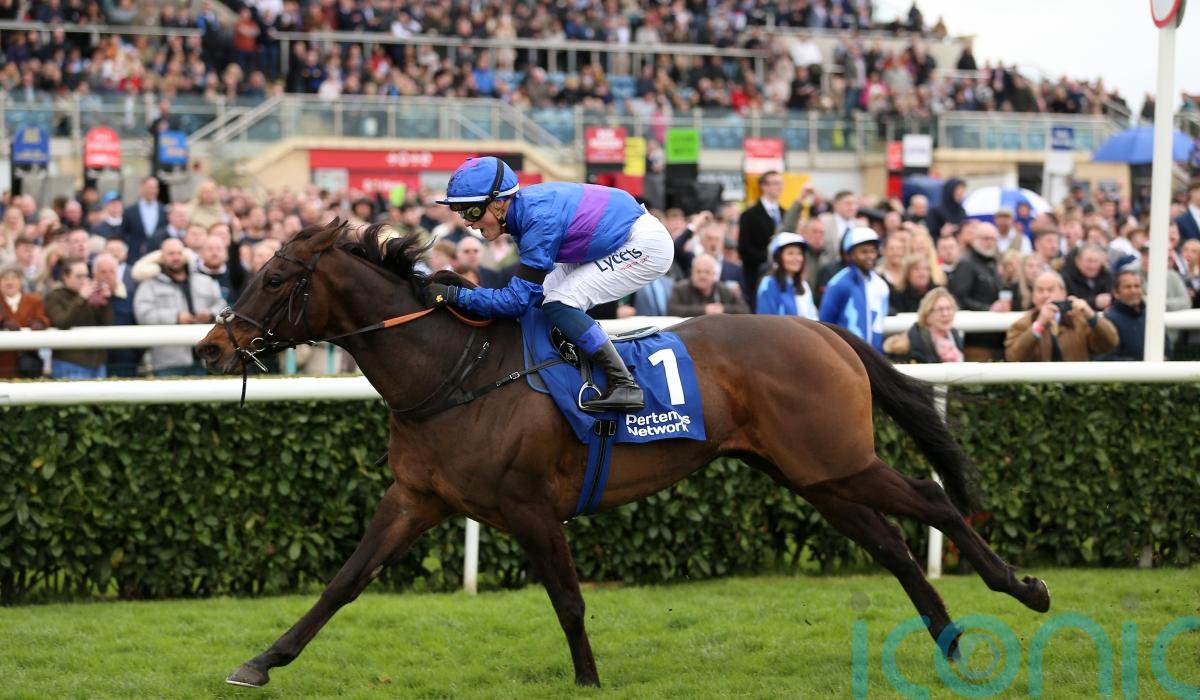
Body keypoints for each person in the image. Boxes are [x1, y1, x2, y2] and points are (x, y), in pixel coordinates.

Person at [425, 157, 673, 412]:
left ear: (499, 203)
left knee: (559, 303)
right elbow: (526, 301)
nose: (467, 222)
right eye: (461, 213)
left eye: (472, 211)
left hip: (643, 244)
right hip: (609, 239)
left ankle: (625, 384)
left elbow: (515, 302)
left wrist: (457, 295)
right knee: (542, 302)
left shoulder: (536, 220)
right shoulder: (519, 214)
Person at [132, 238, 227, 376]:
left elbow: (222, 305)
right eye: (171, 254)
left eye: (179, 253)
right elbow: (143, 315)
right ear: (162, 257)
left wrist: (211, 313)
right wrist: (175, 317)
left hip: (204, 358)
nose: (176, 257)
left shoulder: (204, 280)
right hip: (168, 361)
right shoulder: (149, 285)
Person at [1004, 270, 1117, 362]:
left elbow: (1111, 343)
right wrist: (1039, 324)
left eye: (1051, 290)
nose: (1045, 295)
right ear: (1033, 296)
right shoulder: (1022, 323)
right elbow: (1013, 357)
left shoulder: (1079, 320)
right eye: (1040, 290)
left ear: (1063, 293)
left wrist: (1090, 314)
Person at [819, 227, 889, 350]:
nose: (870, 256)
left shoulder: (881, 285)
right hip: (844, 354)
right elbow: (825, 323)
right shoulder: (838, 283)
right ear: (850, 254)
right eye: (864, 252)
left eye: (872, 251)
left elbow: (880, 322)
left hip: (874, 354)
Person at [948, 222, 1008, 360]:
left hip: (996, 333)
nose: (989, 243)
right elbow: (959, 299)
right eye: (985, 238)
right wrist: (989, 308)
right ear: (975, 239)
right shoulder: (966, 263)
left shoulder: (992, 262)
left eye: (993, 239)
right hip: (975, 337)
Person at [45, 258, 113, 379]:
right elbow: (62, 322)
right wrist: (81, 298)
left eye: (86, 276)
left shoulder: (91, 295)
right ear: (65, 277)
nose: (84, 280)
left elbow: (107, 324)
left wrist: (105, 302)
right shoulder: (55, 297)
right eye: (79, 276)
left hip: (97, 363)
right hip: (69, 362)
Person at [738, 171, 785, 310]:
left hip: (781, 277)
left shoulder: (784, 213)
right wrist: (771, 259)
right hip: (757, 275)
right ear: (764, 186)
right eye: (775, 183)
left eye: (781, 183)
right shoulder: (749, 215)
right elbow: (744, 249)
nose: (779, 187)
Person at [883, 288, 964, 363]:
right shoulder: (910, 344)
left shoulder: (955, 337)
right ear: (927, 315)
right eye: (940, 309)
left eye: (949, 308)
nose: (945, 314)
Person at [92, 253, 142, 377]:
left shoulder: (130, 296)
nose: (107, 276)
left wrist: (135, 354)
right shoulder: (89, 299)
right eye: (103, 272)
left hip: (126, 360)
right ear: (95, 274)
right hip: (96, 361)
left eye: (112, 271)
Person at [1102, 270, 1168, 361]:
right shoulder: (1109, 320)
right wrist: (1140, 364)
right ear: (1116, 293)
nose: (1133, 291)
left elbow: (1167, 348)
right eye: (1127, 287)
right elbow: (1106, 358)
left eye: (1137, 286)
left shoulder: (1151, 315)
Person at [0, 265, 50, 378]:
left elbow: (44, 318)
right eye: (5, 278)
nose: (9, 282)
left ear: (21, 281)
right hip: (3, 363)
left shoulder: (34, 301)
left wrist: (40, 323)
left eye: (14, 278)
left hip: (27, 363)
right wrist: (2, 322)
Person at [756, 232, 818, 319]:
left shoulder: (804, 285)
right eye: (790, 253)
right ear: (778, 257)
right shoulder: (768, 284)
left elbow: (813, 318)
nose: (796, 258)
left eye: (799, 253)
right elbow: (765, 320)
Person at [667, 253, 749, 317]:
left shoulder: (723, 290)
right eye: (698, 271)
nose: (702, 276)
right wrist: (704, 310)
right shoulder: (680, 289)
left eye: (707, 272)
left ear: (714, 274)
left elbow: (745, 309)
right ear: (692, 272)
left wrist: (722, 309)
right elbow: (671, 310)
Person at [121, 176, 165, 259]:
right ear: (141, 188)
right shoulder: (129, 211)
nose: (152, 191)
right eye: (149, 187)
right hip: (134, 256)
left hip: (157, 256)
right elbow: (124, 233)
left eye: (154, 188)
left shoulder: (163, 210)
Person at [1063, 243, 1113, 312]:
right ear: (1078, 261)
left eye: (1096, 261)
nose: (1092, 266)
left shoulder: (1107, 276)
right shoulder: (1066, 278)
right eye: (1089, 261)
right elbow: (1065, 305)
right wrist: (1094, 302)